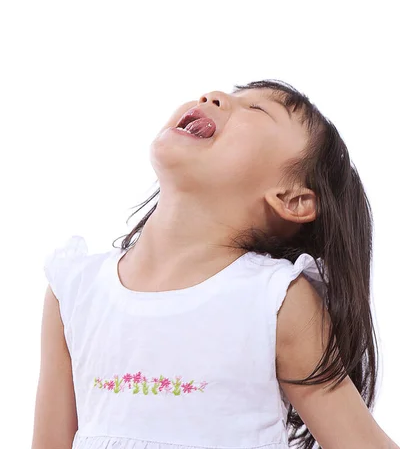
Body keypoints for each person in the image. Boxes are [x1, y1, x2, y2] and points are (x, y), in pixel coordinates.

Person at [31, 79, 399, 449]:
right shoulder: (76, 291)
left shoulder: (274, 301)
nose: (212, 96)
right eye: (229, 96)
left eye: (257, 109)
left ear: (291, 198)